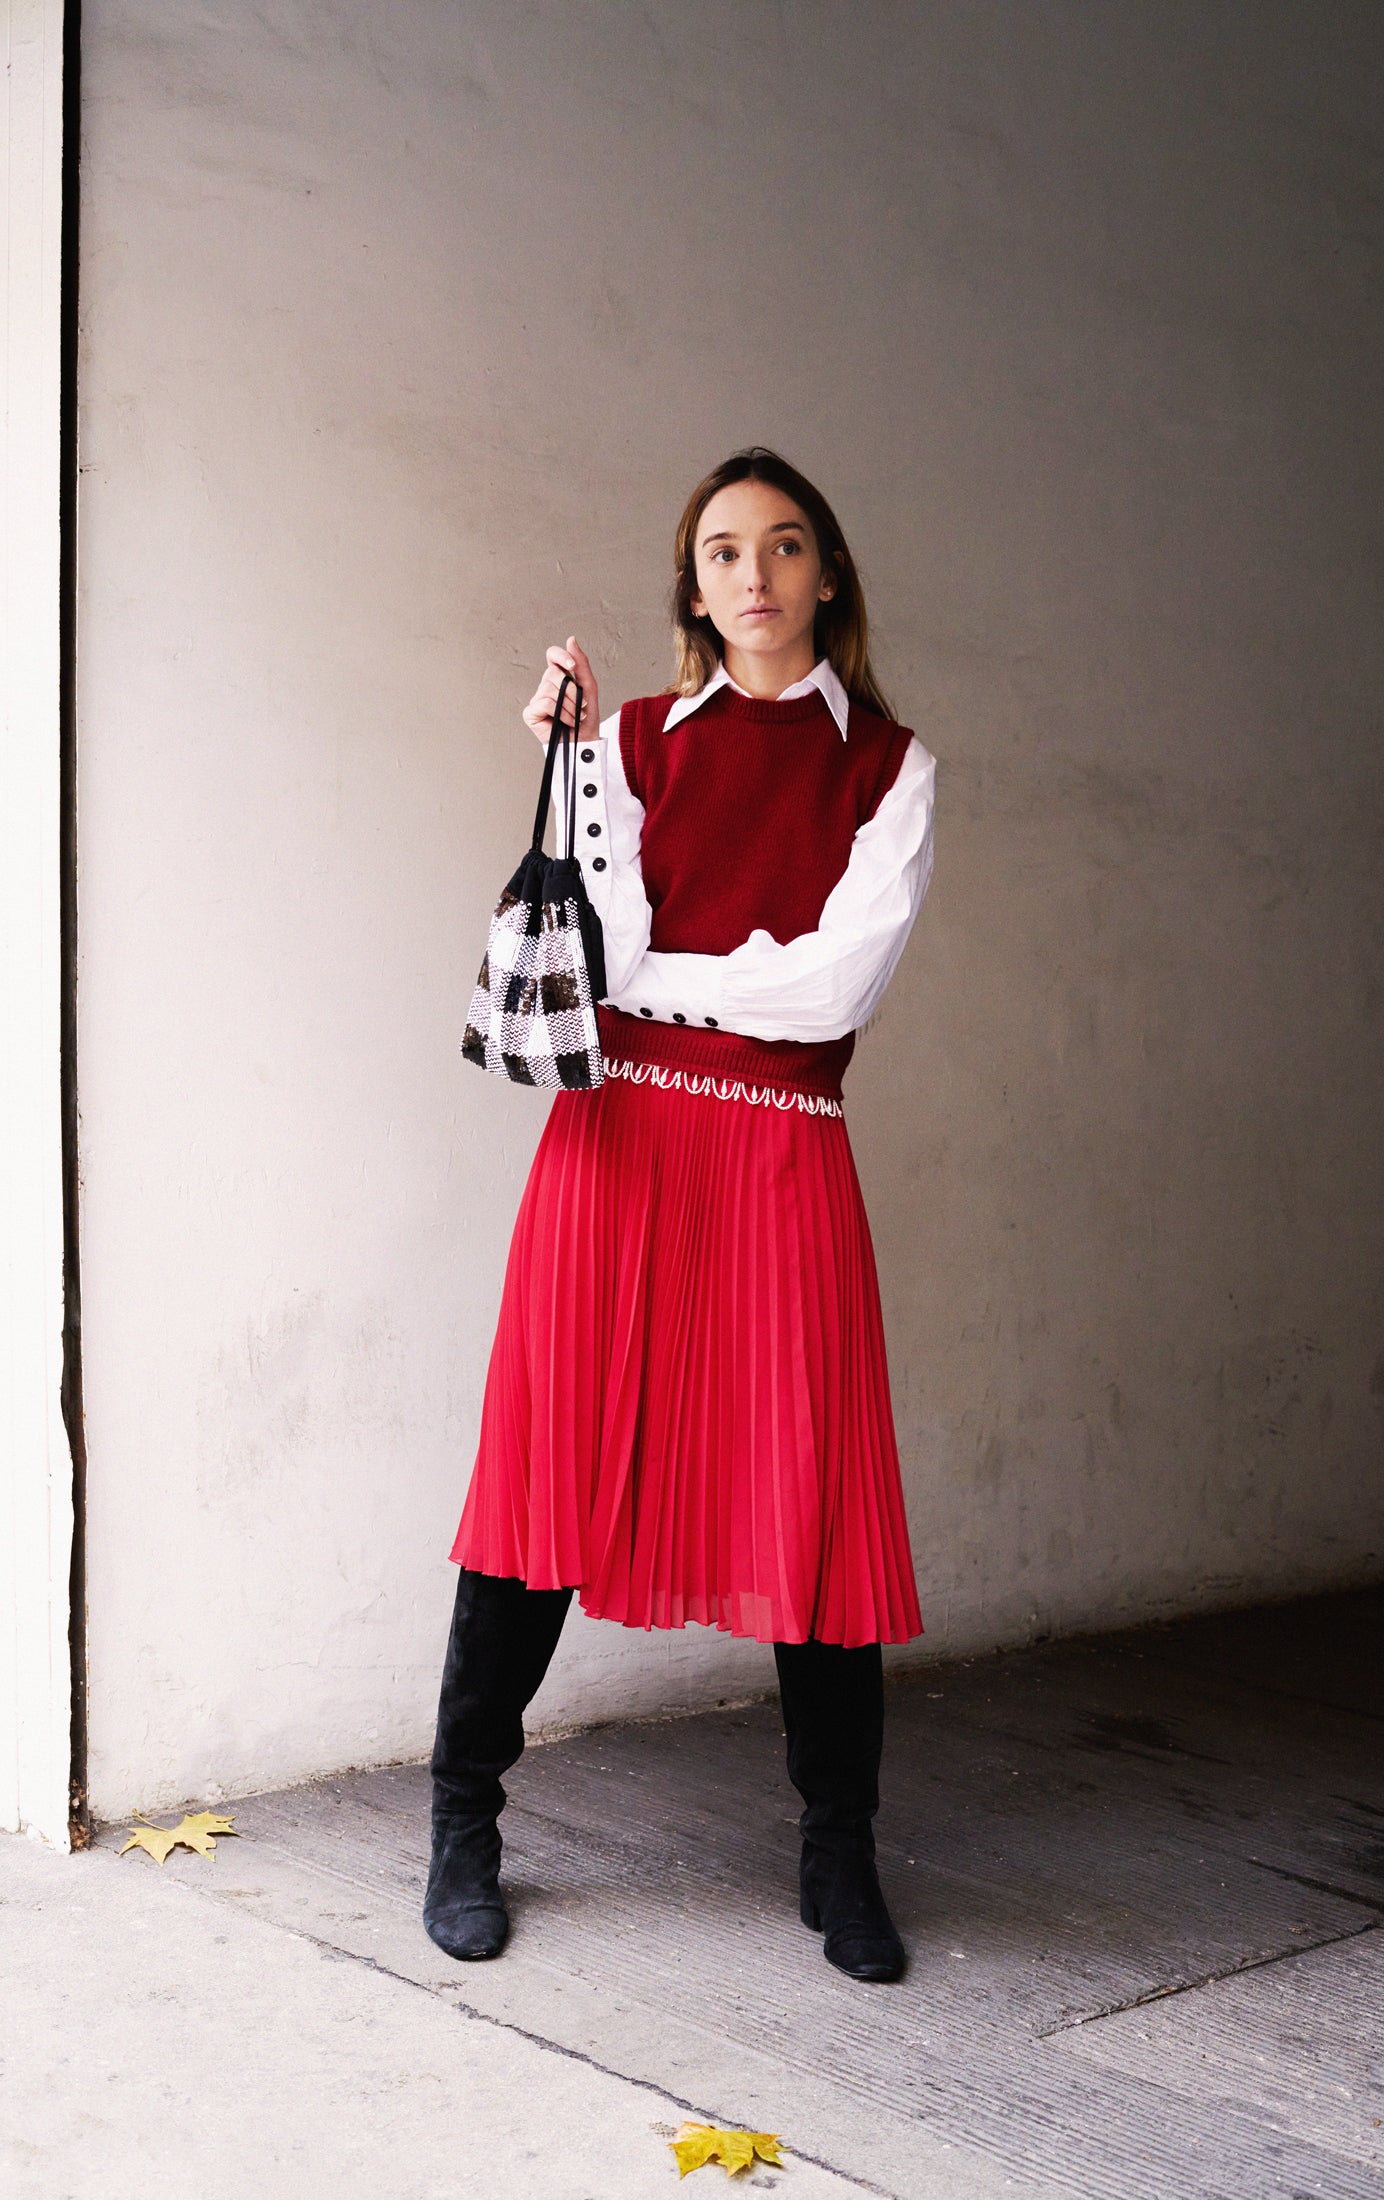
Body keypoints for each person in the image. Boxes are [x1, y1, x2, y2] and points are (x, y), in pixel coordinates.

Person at [425, 447, 937, 1983]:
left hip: (785, 1156)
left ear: (828, 575)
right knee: (540, 1485)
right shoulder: (629, 741)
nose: (756, 575)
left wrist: (678, 992)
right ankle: (462, 1824)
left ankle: (837, 1854)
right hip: (616, 1150)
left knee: (816, 1501)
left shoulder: (892, 767)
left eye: (787, 548)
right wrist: (582, 769)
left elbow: (838, 980)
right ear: (693, 588)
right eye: (724, 553)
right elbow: (609, 935)